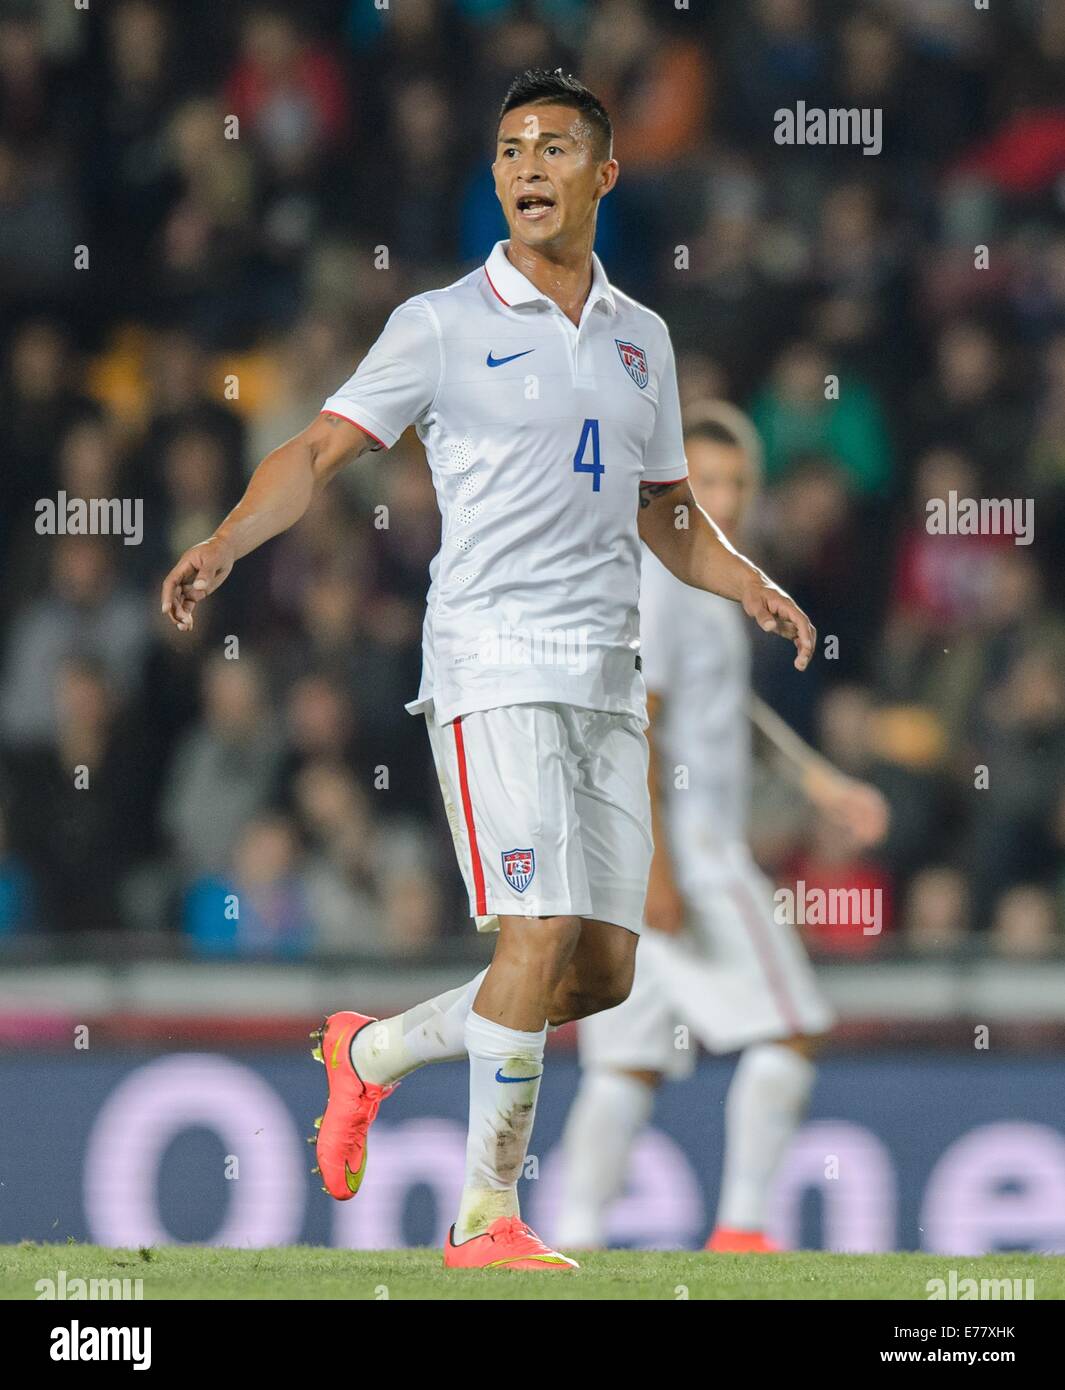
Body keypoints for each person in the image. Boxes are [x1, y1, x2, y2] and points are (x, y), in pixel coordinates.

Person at [160, 70, 816, 1272]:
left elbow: (667, 512)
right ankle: (483, 1219)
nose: (526, 167)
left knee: (601, 973)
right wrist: (225, 539)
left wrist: (747, 580)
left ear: (603, 174)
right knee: (539, 928)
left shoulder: (642, 342)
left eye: (554, 147)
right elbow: (316, 448)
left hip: (605, 676)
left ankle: (365, 1054)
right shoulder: (440, 323)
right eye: (510, 146)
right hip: (491, 663)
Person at [555, 405, 888, 1252]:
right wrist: (660, 868)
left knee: (625, 1063)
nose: (727, 499)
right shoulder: (664, 585)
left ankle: (572, 1237)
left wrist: (816, 781)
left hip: (622, 857)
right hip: (686, 850)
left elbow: (722, 707)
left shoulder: (701, 578)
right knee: (791, 1027)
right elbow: (640, 721)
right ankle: (742, 1228)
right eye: (706, 483)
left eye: (739, 482)